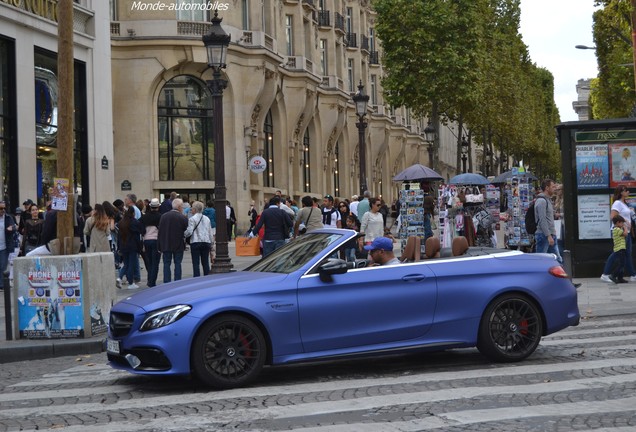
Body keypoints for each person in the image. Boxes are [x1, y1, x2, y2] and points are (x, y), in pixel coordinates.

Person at [601, 185, 636, 282]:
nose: (628, 192)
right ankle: (605, 274)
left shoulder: (624, 203)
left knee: (627, 253)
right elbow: (613, 216)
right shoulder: (617, 203)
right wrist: (625, 221)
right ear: (621, 192)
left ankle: (630, 275)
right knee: (617, 252)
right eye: (626, 190)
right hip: (619, 232)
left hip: (626, 231)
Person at [158, 198, 188, 283]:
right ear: (179, 207)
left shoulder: (163, 216)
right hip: (178, 244)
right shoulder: (182, 217)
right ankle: (177, 281)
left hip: (166, 243)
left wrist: (159, 245)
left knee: (166, 263)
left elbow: (160, 231)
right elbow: (186, 229)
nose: (182, 208)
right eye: (181, 206)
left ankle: (166, 281)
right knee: (178, 263)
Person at [533, 178, 562, 263]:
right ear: (547, 188)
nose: (554, 189)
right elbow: (542, 220)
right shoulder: (541, 201)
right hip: (544, 235)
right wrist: (548, 235)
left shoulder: (548, 200)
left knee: (557, 260)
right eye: (552, 187)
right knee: (541, 260)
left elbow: (549, 217)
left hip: (550, 234)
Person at [117, 207, 146, 290]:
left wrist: (119, 248)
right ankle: (130, 282)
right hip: (132, 246)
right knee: (131, 265)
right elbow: (139, 234)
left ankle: (119, 277)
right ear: (133, 213)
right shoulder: (134, 222)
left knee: (126, 264)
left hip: (123, 246)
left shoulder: (121, 223)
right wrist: (140, 247)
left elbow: (119, 237)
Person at [184, 200, 213, 277]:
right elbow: (210, 232)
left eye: (192, 208)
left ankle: (196, 278)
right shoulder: (207, 219)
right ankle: (207, 277)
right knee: (205, 262)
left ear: (195, 209)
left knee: (196, 263)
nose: (191, 210)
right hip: (206, 242)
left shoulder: (192, 219)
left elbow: (189, 231)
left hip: (195, 241)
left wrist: (184, 234)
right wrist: (212, 244)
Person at [141, 198, 162, 287]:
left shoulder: (144, 216)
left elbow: (140, 227)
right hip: (156, 240)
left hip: (146, 240)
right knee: (155, 262)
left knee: (149, 262)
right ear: (158, 207)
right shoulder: (160, 216)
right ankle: (152, 282)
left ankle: (149, 279)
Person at [603, 214, 629, 284]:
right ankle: (613, 275)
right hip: (620, 249)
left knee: (622, 264)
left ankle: (620, 278)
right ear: (617, 222)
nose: (623, 224)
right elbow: (625, 234)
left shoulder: (616, 229)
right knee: (621, 264)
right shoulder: (616, 229)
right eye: (622, 223)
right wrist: (625, 227)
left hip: (621, 249)